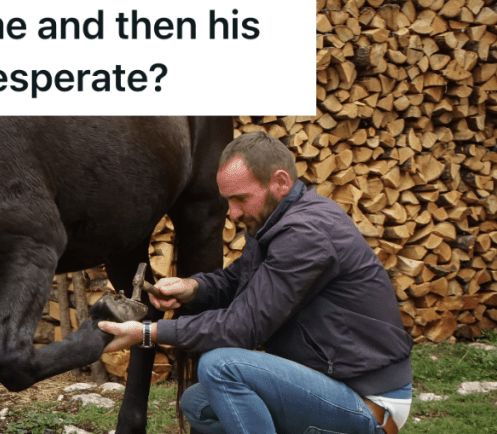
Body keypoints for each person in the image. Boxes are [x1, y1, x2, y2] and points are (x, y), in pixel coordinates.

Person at [99, 131, 413, 434]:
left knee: (220, 367)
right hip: (334, 385)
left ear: (280, 181)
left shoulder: (306, 235)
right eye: (228, 201)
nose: (232, 214)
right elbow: (238, 280)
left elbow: (240, 328)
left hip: (369, 401)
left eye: (240, 199)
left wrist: (149, 332)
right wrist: (193, 289)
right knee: (198, 403)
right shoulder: (274, 222)